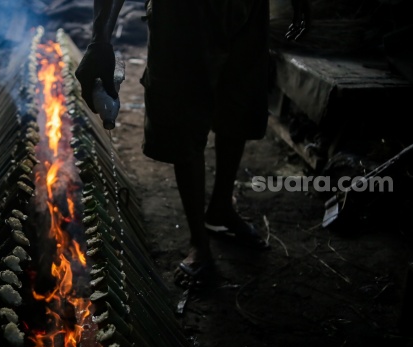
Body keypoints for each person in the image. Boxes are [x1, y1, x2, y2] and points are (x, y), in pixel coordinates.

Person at [75, 0, 309, 288]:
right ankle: (199, 241)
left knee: (239, 102)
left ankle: (221, 208)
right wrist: (100, 40)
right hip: (183, 12)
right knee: (184, 116)